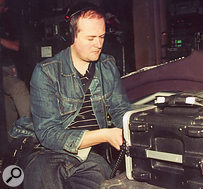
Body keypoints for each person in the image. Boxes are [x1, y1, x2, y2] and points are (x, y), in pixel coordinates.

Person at [20, 2, 131, 188]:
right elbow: (48, 134)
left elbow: (121, 110)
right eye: (91, 38)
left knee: (102, 181)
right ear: (71, 36)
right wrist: (105, 134)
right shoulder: (46, 72)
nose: (99, 44)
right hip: (49, 153)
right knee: (44, 176)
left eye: (102, 36)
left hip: (90, 155)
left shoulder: (108, 65)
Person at [0, 0, 31, 137]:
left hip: (7, 70)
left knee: (9, 104)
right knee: (18, 88)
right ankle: (30, 132)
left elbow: (17, 46)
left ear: (5, 9)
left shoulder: (8, 23)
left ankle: (14, 145)